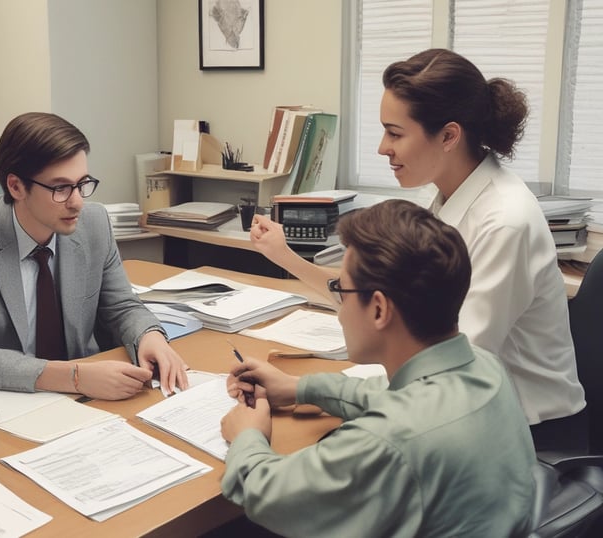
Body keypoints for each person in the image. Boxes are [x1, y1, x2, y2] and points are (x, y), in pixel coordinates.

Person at [250, 48, 585, 451]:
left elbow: (449, 369)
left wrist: (316, 390)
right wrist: (284, 256)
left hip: (531, 438)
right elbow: (375, 296)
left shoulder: (504, 221)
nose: (381, 148)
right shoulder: (444, 197)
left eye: (395, 133)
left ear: (448, 136)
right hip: (467, 414)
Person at [221, 200, 536, 537]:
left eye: (342, 291)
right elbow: (385, 395)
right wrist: (299, 388)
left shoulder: (387, 441)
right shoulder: (486, 367)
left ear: (379, 309)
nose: (341, 311)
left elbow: (271, 494)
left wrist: (247, 434)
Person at [0, 112, 188, 399]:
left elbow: (122, 307)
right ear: (16, 186)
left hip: (80, 398)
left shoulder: (94, 224)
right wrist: (75, 377)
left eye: (82, 184)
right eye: (61, 188)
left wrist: (150, 336)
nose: (77, 202)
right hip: (4, 398)